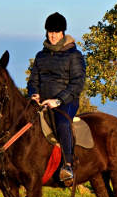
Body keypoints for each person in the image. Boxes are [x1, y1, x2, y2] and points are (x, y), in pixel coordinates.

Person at [27, 12, 86, 184]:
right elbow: (33, 80)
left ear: (63, 33)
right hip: (42, 101)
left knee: (61, 122)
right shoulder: (41, 55)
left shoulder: (74, 55)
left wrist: (58, 100)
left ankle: (67, 166)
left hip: (66, 101)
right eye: (49, 32)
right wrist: (34, 93)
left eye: (56, 32)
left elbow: (77, 83)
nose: (52, 36)